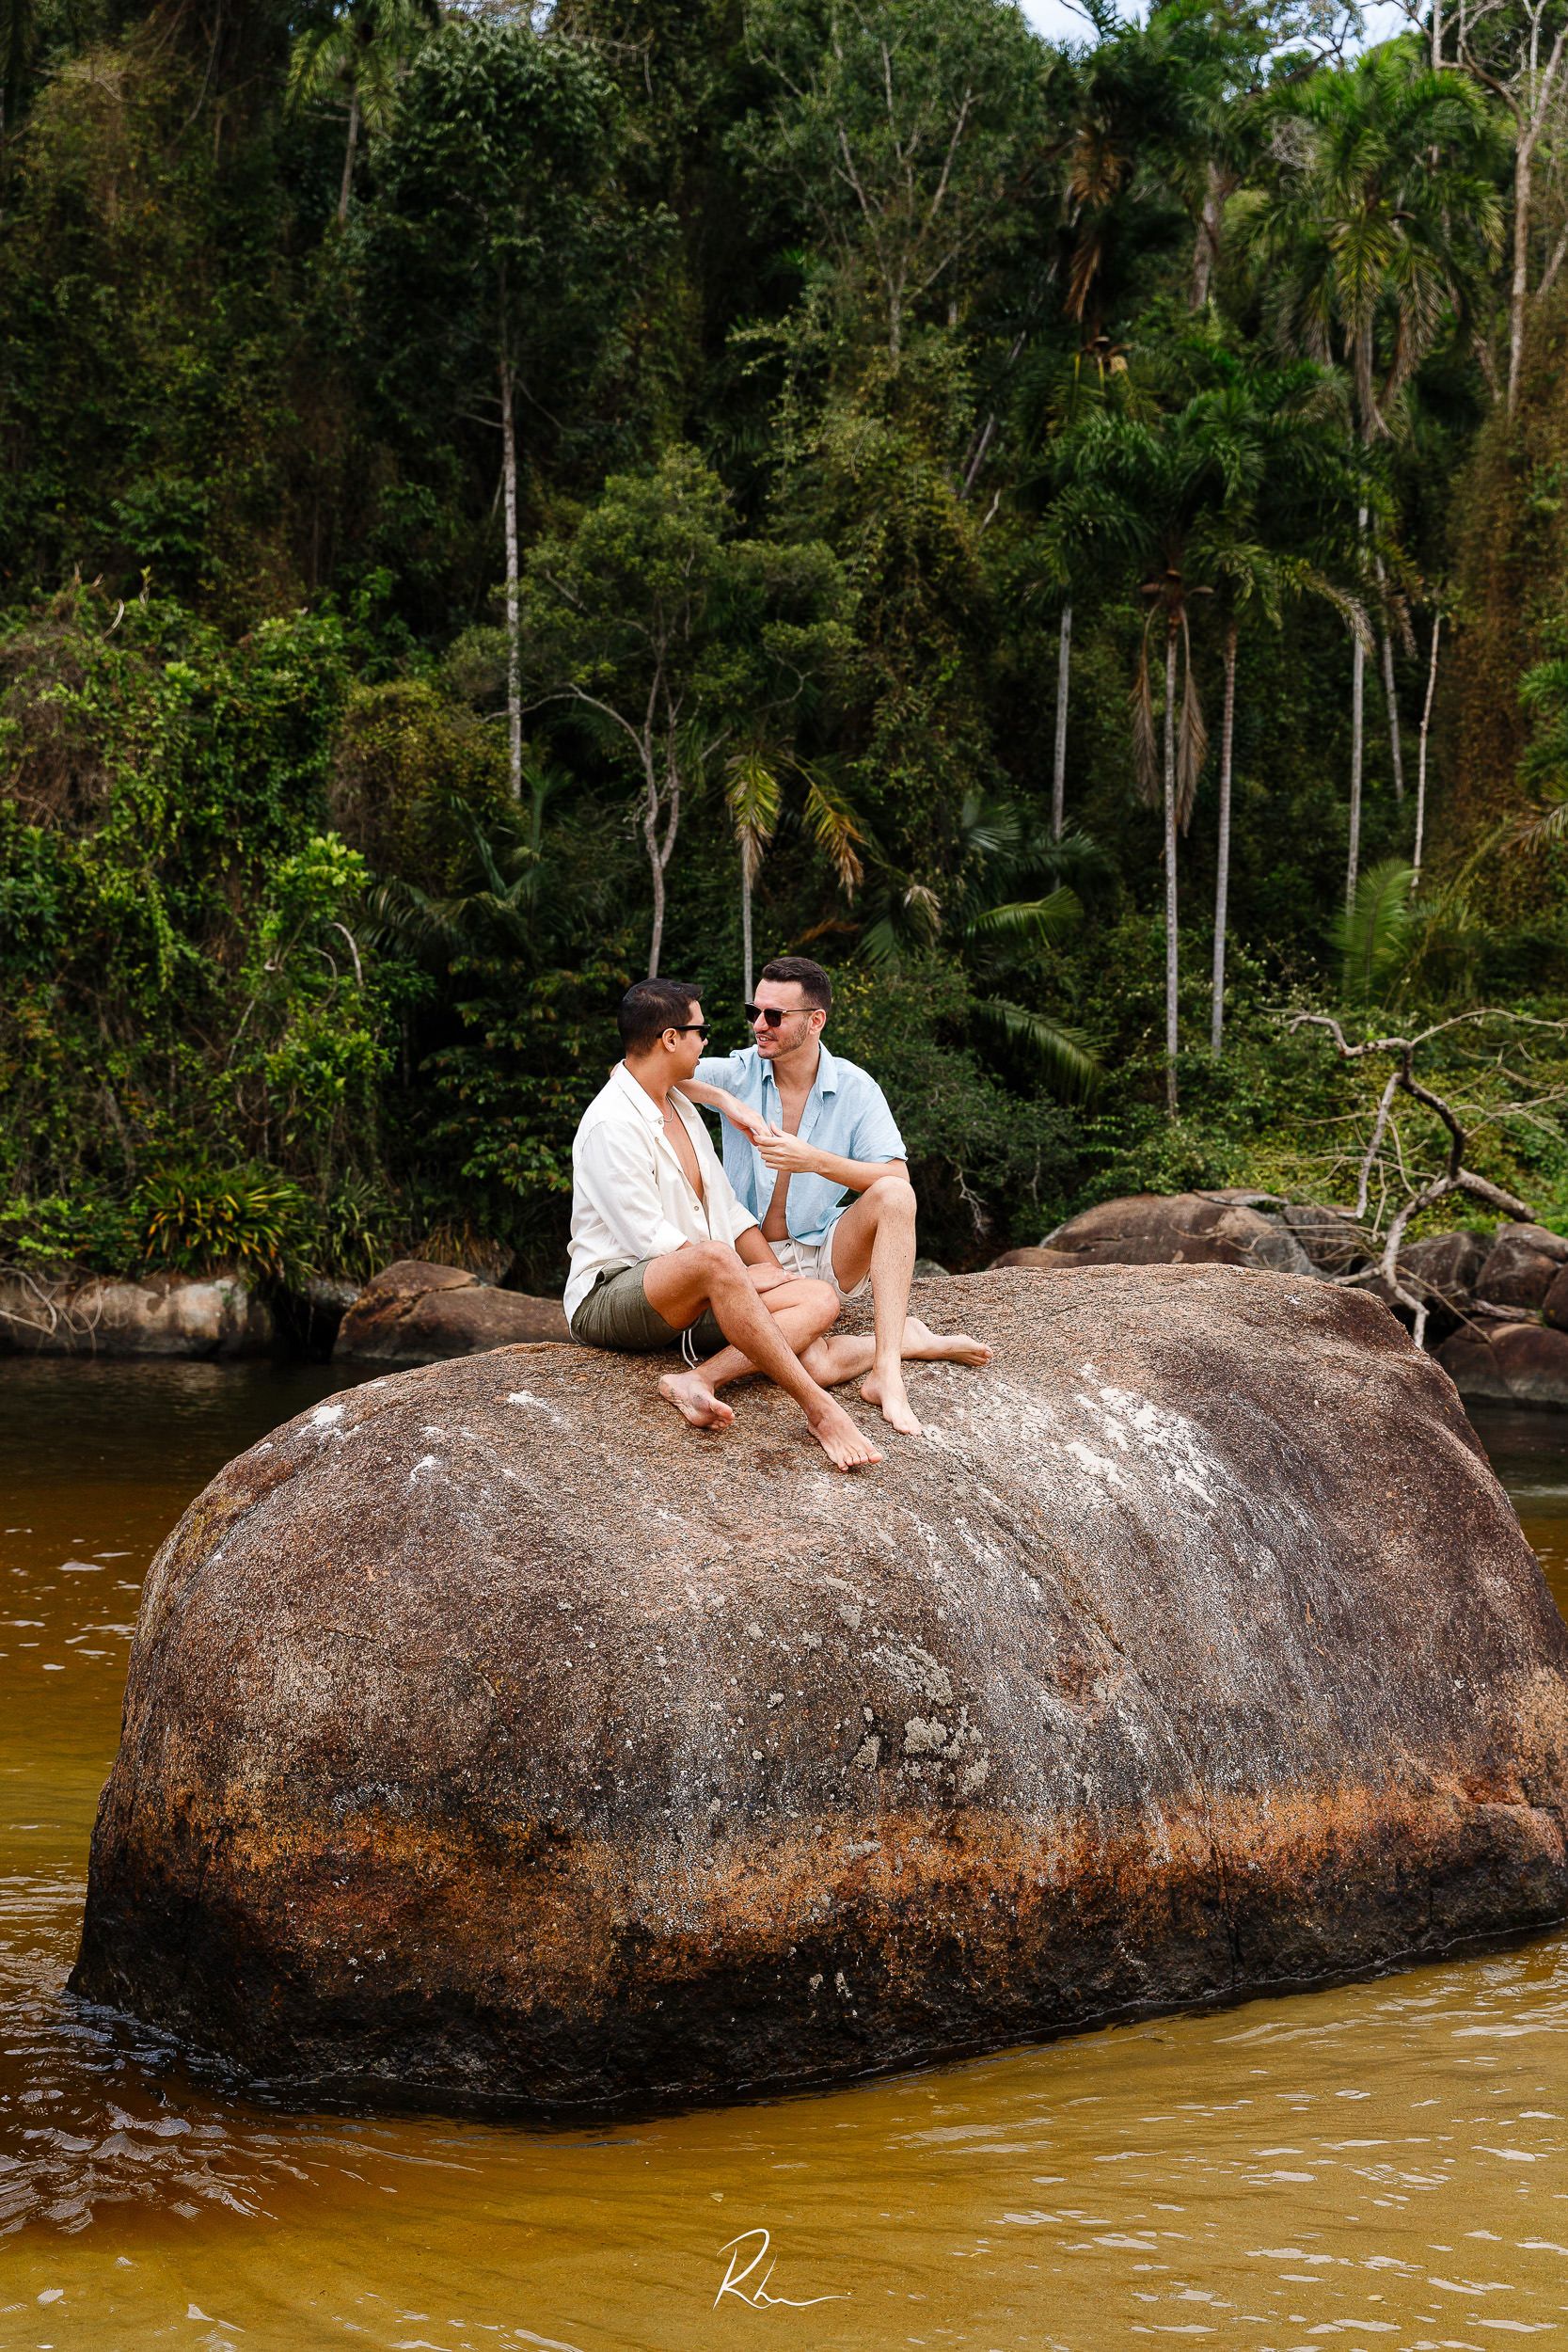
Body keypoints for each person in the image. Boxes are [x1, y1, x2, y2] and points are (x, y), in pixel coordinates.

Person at [565, 977, 882, 1472]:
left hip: (690, 1295)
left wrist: (774, 1273)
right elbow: (649, 1241)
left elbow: (728, 1211)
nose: (707, 1040)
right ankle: (819, 1410)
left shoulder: (679, 1106)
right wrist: (736, 1274)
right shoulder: (612, 1124)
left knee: (818, 1297)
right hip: (612, 1293)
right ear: (670, 1038)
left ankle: (699, 1379)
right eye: (700, 1029)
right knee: (717, 1260)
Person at [680, 956, 990, 1438]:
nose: (759, 1025)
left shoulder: (854, 1085)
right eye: (754, 1012)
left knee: (893, 1197)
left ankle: (888, 1369)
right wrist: (724, 1100)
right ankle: (907, 1338)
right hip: (748, 1258)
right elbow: (638, 1068)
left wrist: (813, 1160)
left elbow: (895, 1177)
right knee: (816, 1368)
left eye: (775, 1016)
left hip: (825, 1250)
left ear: (815, 1020)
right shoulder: (738, 1072)